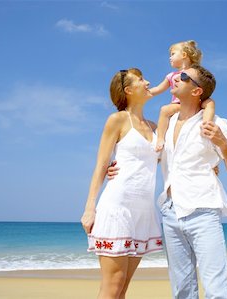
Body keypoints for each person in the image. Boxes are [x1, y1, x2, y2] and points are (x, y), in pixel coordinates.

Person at [109, 64, 227, 299]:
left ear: (196, 91)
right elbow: (143, 156)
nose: (177, 78)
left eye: (184, 77)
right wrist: (115, 168)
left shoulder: (216, 124)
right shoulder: (165, 124)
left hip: (203, 210)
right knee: (182, 290)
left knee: (217, 289)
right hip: (170, 213)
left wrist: (223, 143)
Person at [81, 68, 163, 299]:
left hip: (143, 212)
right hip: (118, 206)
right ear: (128, 90)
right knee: (113, 285)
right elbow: (101, 165)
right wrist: (90, 207)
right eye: (141, 80)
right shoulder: (117, 120)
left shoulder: (155, 127)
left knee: (123, 287)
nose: (147, 82)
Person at [150, 40, 216, 152]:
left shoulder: (194, 72)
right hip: (178, 105)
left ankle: (206, 126)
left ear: (184, 55)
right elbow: (158, 89)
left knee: (210, 103)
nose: (170, 58)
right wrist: (144, 92)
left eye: (173, 54)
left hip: (195, 102)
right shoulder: (171, 76)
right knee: (165, 110)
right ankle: (160, 138)